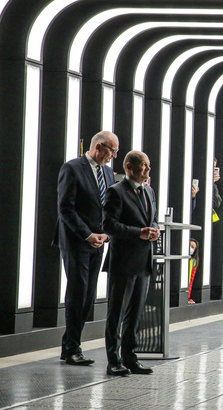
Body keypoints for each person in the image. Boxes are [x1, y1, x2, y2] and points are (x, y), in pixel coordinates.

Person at [54, 131, 118, 366]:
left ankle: (69, 345)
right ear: (99, 147)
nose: (113, 156)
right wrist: (87, 235)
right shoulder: (72, 168)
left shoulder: (109, 173)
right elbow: (66, 208)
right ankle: (73, 348)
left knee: (88, 295)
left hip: (99, 242)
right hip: (75, 241)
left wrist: (105, 236)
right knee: (78, 292)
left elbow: (110, 208)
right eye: (112, 151)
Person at [102, 151, 160, 377]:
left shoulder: (149, 191)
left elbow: (151, 218)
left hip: (143, 262)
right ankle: (113, 360)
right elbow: (109, 225)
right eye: (144, 166)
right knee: (116, 313)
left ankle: (130, 357)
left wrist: (153, 230)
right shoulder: (116, 192)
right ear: (129, 166)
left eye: (148, 166)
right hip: (123, 263)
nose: (147, 170)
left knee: (135, 315)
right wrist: (140, 233)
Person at [187, 238, 199, 304]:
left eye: (192, 247)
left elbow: (191, 281)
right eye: (189, 245)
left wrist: (187, 297)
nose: (190, 248)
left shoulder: (194, 262)